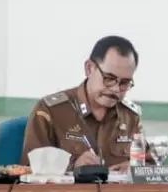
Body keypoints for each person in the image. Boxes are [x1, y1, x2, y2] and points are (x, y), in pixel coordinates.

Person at [20, 35, 144, 171]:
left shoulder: (130, 117)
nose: (116, 89)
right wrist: (72, 167)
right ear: (89, 68)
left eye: (124, 83)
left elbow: (149, 163)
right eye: (109, 78)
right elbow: (29, 170)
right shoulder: (51, 112)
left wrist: (136, 169)